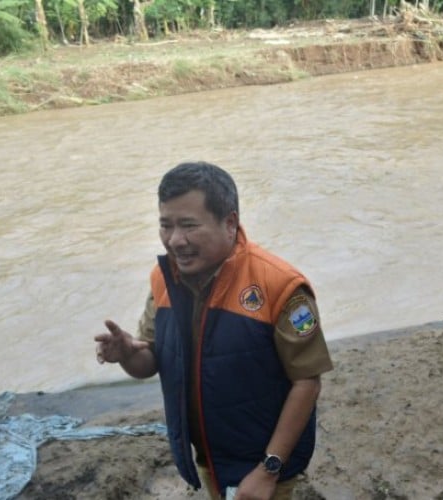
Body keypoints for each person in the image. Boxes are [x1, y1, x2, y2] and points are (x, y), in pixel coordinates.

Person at [94, 162, 333, 500]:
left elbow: (307, 381)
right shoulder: (164, 278)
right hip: (208, 455)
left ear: (230, 223)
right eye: (166, 225)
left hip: (264, 461)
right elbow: (149, 361)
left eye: (189, 225)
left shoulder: (281, 286)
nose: (176, 241)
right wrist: (128, 354)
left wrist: (268, 470)